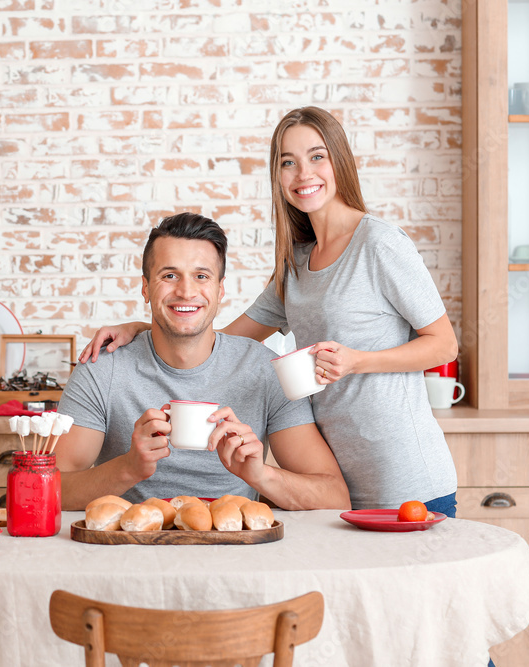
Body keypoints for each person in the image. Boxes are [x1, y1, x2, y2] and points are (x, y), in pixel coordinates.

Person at [78, 106, 459, 516]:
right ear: (277, 176)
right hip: (342, 485)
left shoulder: (379, 244)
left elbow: (444, 345)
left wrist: (357, 361)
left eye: (317, 157)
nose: (303, 174)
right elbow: (217, 338)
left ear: (339, 162)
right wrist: (147, 327)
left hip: (406, 477)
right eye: (288, 163)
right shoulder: (295, 264)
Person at [54, 212, 350, 511]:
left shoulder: (264, 370)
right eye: (169, 275)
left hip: (232, 546)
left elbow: (334, 495)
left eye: (201, 276)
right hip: (131, 546)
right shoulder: (102, 369)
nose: (186, 291)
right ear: (146, 288)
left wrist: (261, 476)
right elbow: (49, 488)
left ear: (220, 290)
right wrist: (128, 468)